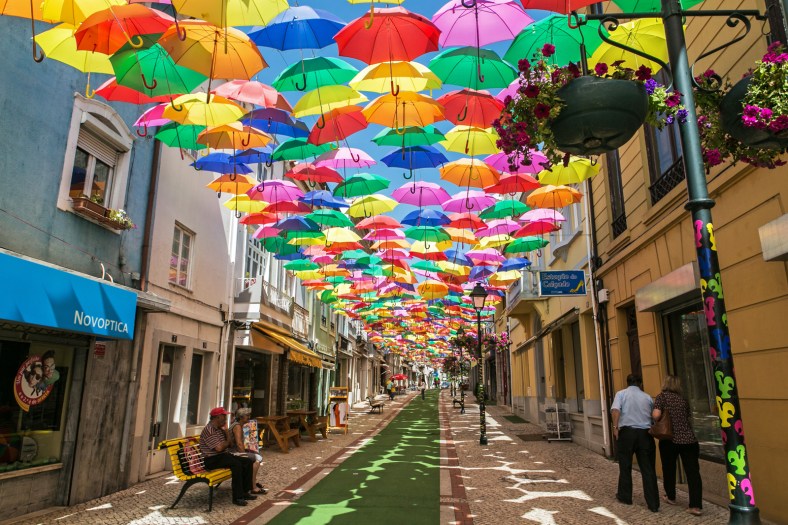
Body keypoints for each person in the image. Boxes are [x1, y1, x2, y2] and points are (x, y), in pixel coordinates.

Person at [653, 375, 703, 517]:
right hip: (688, 440)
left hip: (670, 439)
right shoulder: (683, 399)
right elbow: (688, 417)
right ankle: (695, 505)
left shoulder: (662, 397)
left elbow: (656, 415)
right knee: (693, 472)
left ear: (665, 384)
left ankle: (670, 496)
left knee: (669, 468)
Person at [611, 374, 660, 513]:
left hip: (627, 433)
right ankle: (653, 503)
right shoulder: (647, 397)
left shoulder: (621, 394)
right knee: (648, 469)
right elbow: (653, 416)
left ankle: (625, 496)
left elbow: (615, 410)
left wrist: (615, 428)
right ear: (640, 384)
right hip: (645, 434)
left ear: (627, 383)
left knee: (625, 465)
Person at [199, 407, 256, 506]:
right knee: (236, 464)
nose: (226, 418)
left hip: (222, 456)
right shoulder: (209, 430)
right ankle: (237, 497)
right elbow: (219, 448)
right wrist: (226, 442)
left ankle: (245, 492)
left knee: (247, 461)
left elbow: (229, 444)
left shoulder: (220, 429)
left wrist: (226, 432)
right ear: (217, 417)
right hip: (211, 459)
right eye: (224, 416)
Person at [228, 408, 267, 495]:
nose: (249, 417)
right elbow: (239, 443)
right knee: (256, 459)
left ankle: (251, 482)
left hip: (234, 451)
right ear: (241, 417)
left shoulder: (239, 425)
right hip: (232, 452)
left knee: (256, 457)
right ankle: (253, 486)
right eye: (247, 415)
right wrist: (245, 454)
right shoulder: (237, 426)